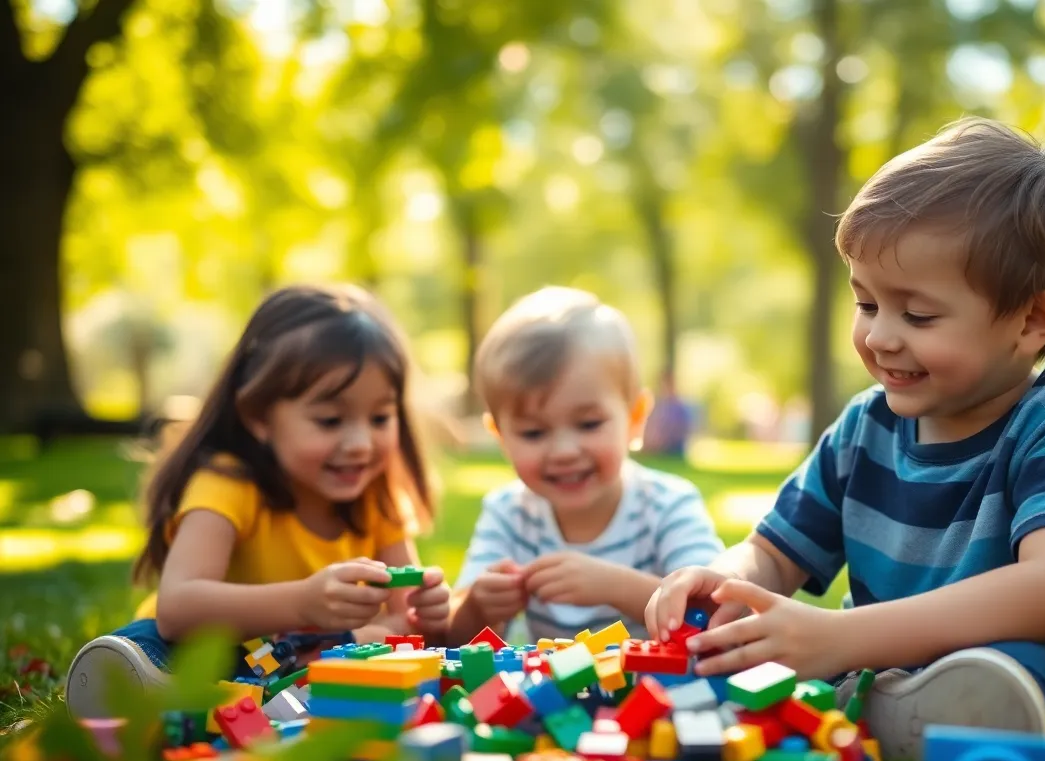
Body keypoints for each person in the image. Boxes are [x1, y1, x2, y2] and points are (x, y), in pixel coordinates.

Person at [645, 118, 1045, 761]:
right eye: (865, 303)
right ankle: (882, 709)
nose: (880, 337)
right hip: (878, 657)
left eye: (917, 315)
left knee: (1011, 673)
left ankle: (922, 714)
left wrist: (840, 636)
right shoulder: (865, 427)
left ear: (1032, 320)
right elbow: (773, 553)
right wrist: (727, 578)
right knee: (770, 661)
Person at [64, 284, 451, 718]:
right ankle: (143, 686)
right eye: (330, 420)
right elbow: (177, 609)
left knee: (355, 645)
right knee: (149, 642)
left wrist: (427, 612)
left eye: (380, 417)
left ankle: (216, 702)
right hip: (206, 646)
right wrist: (304, 602)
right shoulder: (228, 484)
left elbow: (406, 624)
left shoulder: (376, 496)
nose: (360, 443)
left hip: (307, 656)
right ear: (259, 417)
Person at [449, 287, 725, 644]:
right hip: (552, 697)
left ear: (635, 418)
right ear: (501, 436)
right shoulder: (509, 514)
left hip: (664, 694)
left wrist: (612, 585)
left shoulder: (667, 505)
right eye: (534, 432)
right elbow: (451, 637)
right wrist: (477, 607)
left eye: (589, 424)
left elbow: (716, 613)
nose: (564, 451)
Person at [642, 369, 694, 458]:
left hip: (674, 447)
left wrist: (662, 440)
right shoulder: (659, 404)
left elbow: (679, 431)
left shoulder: (679, 407)